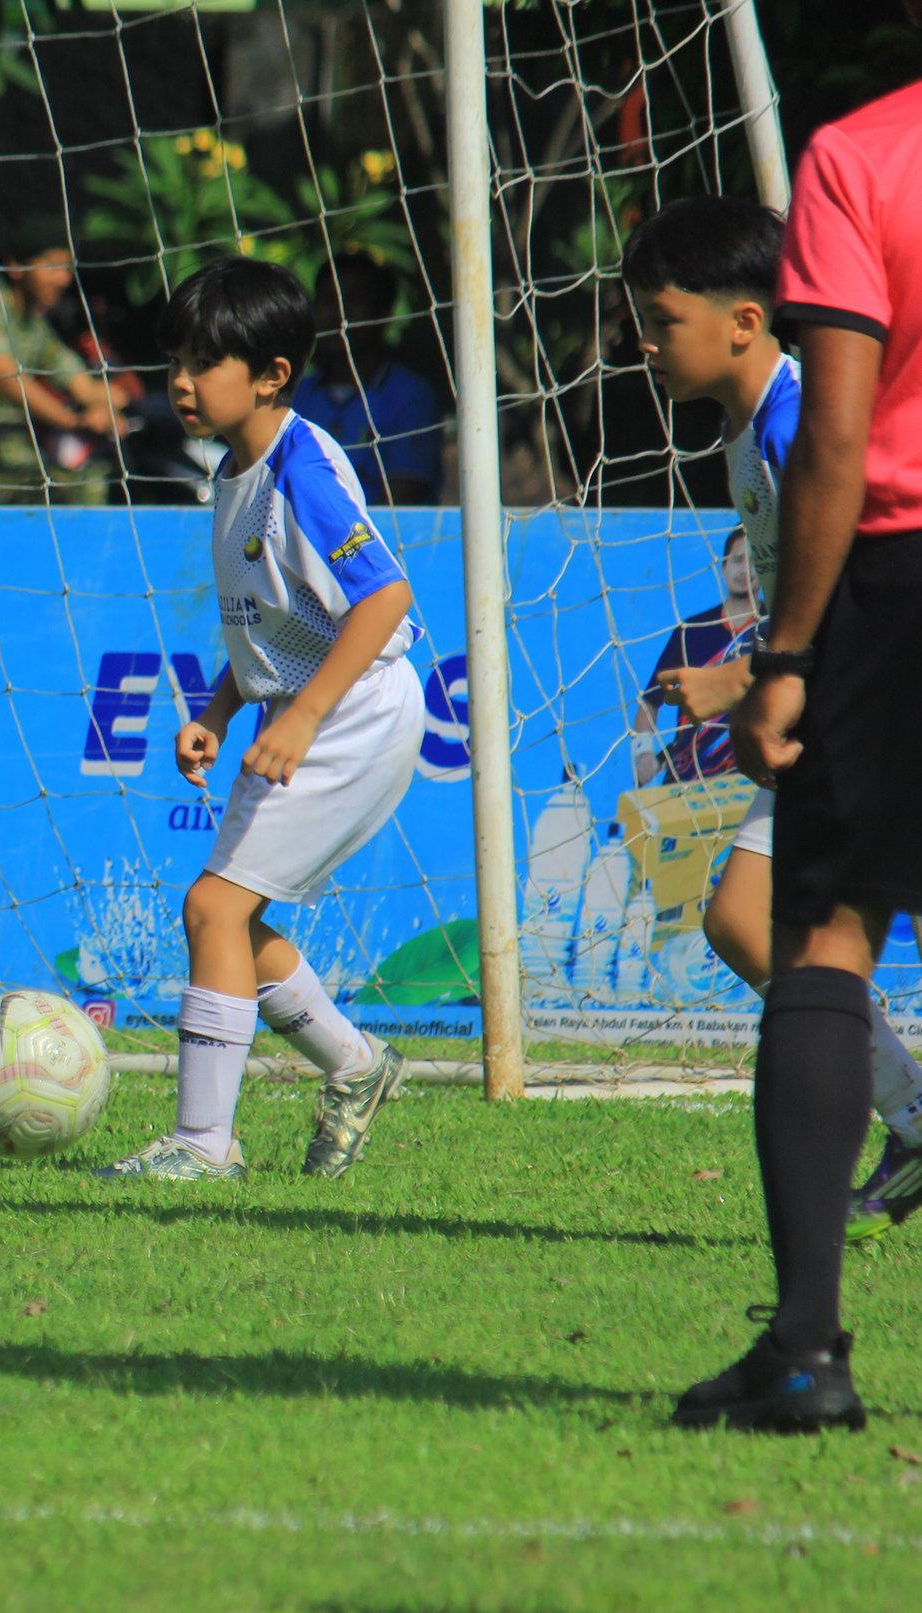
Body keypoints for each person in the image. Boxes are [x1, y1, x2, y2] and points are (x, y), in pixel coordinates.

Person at [678, 56, 922, 1432]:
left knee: (820, 932)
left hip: (893, 575)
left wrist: (783, 661)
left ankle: (801, 1351)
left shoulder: (856, 156)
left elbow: (836, 433)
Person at [624, 197, 922, 1244]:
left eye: (660, 321)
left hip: (879, 695)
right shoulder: (751, 427)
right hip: (833, 700)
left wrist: (746, 679)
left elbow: (858, 579)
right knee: (740, 920)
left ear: (743, 322)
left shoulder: (800, 419)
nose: (643, 343)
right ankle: (913, 1113)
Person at [96, 256, 421, 1183]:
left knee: (211, 905)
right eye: (175, 364)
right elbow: (272, 621)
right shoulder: (234, 472)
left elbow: (384, 596)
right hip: (311, 705)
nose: (182, 384)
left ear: (271, 374)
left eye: (205, 363)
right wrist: (216, 709)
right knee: (231, 921)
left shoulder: (301, 467)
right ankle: (355, 1066)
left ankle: (204, 1145)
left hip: (354, 710)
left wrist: (304, 717)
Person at [0, 222, 122, 505]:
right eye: (51, 266)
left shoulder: (33, 324)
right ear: (15, 266)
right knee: (85, 487)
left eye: (66, 269)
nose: (63, 279)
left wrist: (113, 405)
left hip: (16, 462)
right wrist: (71, 421)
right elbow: (2, 374)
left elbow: (79, 382)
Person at [293, 253, 443, 507]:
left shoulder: (410, 397)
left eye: (354, 300)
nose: (339, 313)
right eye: (329, 300)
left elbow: (403, 496)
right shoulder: (298, 397)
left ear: (383, 311)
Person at [631, 528, 760, 788]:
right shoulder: (692, 630)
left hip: (751, 778)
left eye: (754, 561)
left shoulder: (774, 629)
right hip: (688, 779)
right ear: (722, 567)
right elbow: (650, 702)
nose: (744, 569)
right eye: (737, 559)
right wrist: (643, 753)